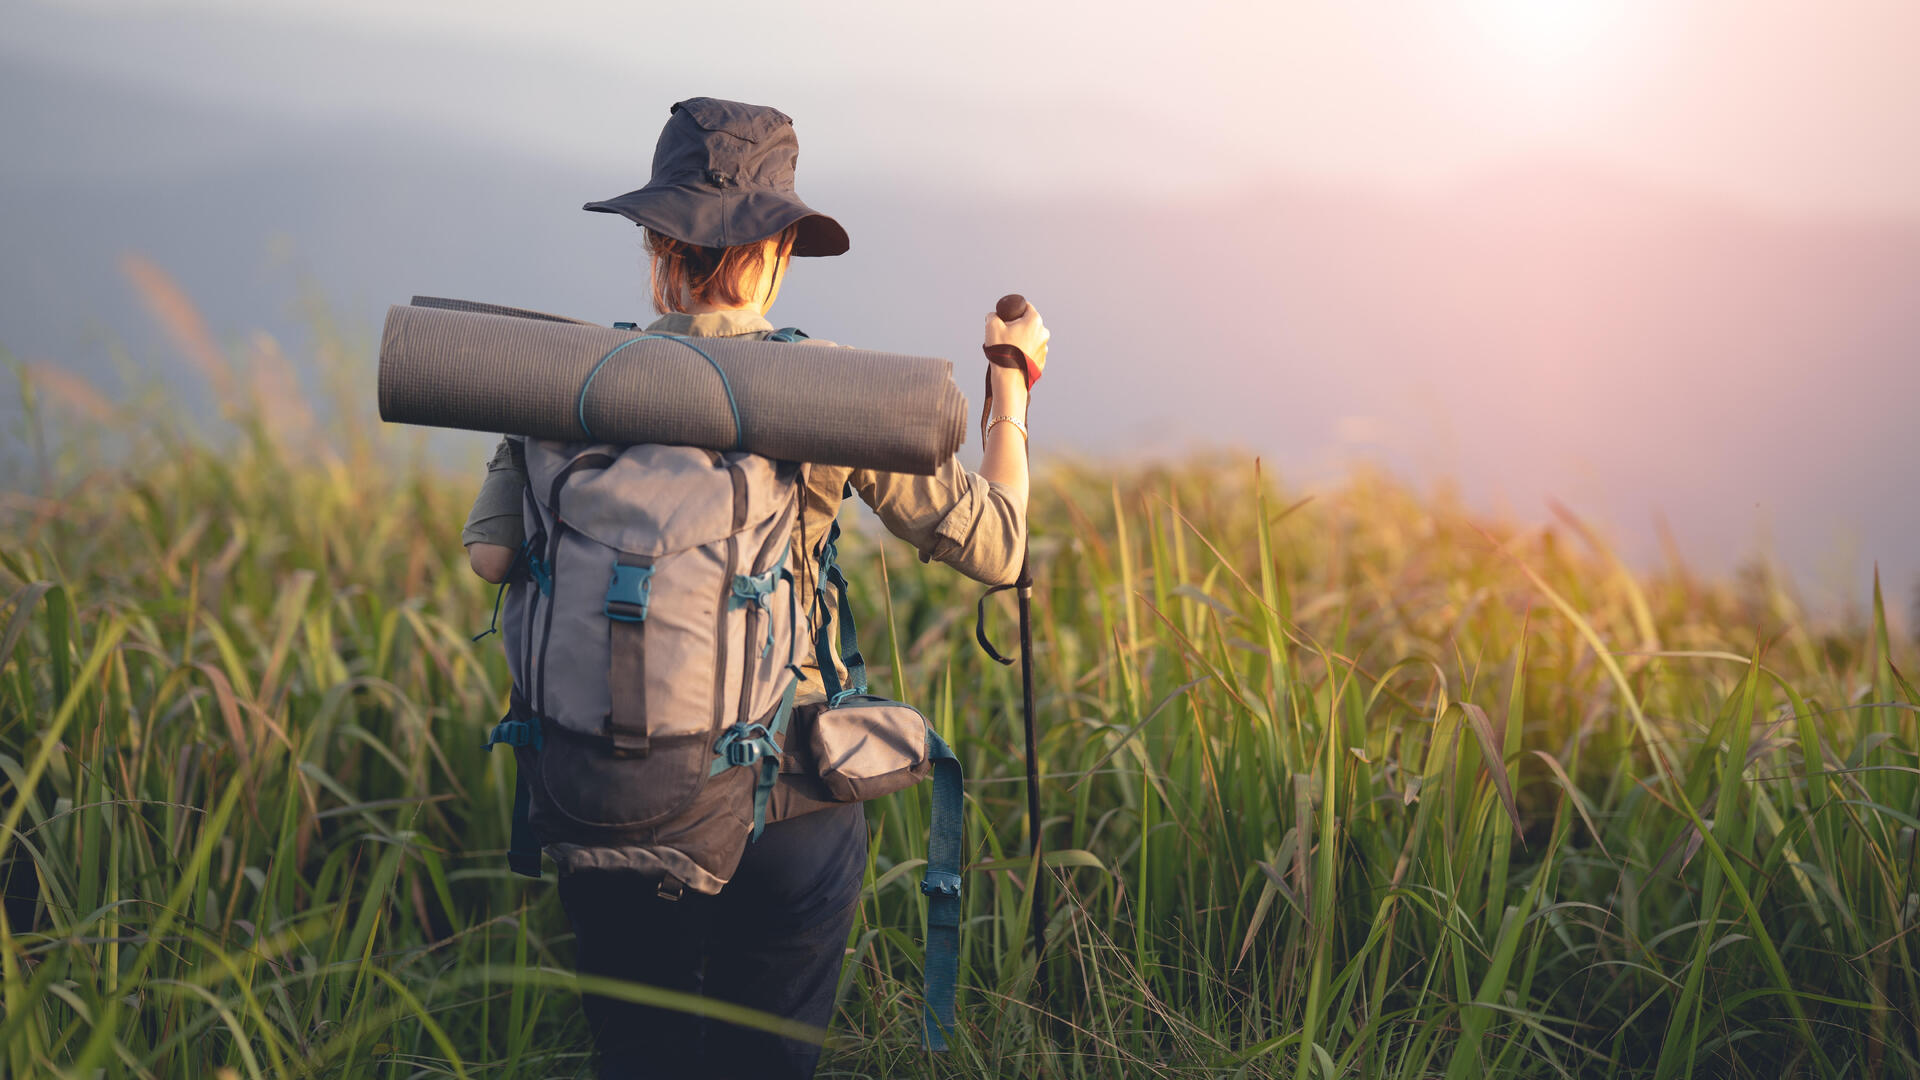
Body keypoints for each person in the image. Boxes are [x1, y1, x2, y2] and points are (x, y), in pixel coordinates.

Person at [459, 97, 1049, 1080]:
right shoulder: (830, 393)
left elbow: (489, 560)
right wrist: (1011, 397)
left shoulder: (562, 382)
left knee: (641, 1058)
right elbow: (999, 547)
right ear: (779, 250)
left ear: (655, 245)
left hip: (604, 792)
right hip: (784, 808)